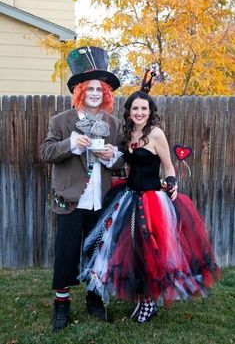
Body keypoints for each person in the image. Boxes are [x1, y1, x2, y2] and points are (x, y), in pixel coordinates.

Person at [80, 89, 221, 324]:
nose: (139, 112)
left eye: (144, 108)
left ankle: (148, 302)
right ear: (129, 111)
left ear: (150, 111)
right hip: (128, 197)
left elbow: (168, 167)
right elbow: (126, 166)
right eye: (135, 108)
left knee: (150, 252)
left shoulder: (156, 134)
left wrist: (172, 183)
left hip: (152, 200)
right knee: (130, 252)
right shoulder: (127, 135)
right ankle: (140, 299)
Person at [40, 46, 123, 332]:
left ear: (106, 94)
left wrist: (112, 156)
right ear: (80, 91)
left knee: (98, 253)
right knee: (65, 255)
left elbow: (121, 162)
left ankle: (94, 299)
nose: (95, 94)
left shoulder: (112, 124)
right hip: (70, 199)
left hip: (100, 201)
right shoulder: (61, 121)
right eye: (90, 89)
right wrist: (71, 145)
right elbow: (46, 152)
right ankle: (61, 306)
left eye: (100, 90)